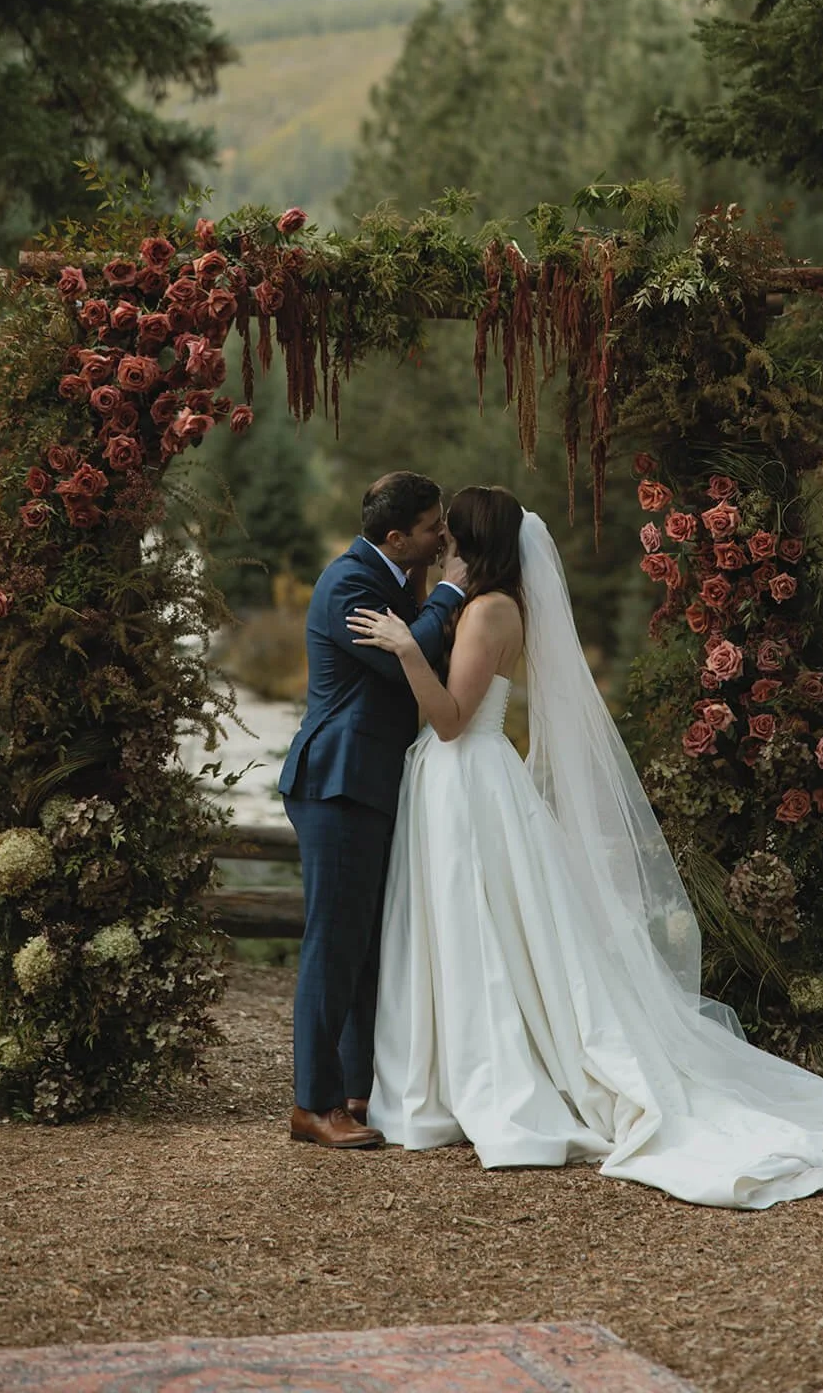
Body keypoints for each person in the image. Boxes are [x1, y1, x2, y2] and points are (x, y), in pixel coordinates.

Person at [346, 486, 823, 1208]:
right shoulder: (487, 604)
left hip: (466, 776)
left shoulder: (488, 611)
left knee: (479, 926)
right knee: (472, 927)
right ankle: (448, 1071)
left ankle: (487, 1075)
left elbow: (447, 719)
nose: (440, 539)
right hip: (460, 781)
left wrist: (409, 650)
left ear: (471, 540)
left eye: (450, 531)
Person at [279, 471, 466, 1149]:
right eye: (430, 526)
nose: (441, 534)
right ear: (396, 537)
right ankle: (313, 1104)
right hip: (337, 782)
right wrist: (450, 591)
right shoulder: (351, 584)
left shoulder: (390, 580)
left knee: (363, 947)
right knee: (333, 945)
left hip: (369, 783)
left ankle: (356, 1090)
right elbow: (398, 666)